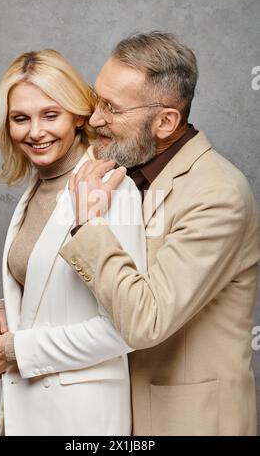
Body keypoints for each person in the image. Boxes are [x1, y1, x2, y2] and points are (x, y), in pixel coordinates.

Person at [60, 32, 260, 436]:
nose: (94, 119)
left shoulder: (218, 195)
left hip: (188, 424)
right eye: (96, 99)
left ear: (166, 121)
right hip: (113, 417)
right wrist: (7, 307)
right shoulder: (121, 165)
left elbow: (145, 321)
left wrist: (87, 225)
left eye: (111, 108)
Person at [0, 49, 146, 436]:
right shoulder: (36, 189)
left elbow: (125, 328)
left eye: (50, 115)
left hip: (80, 421)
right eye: (21, 118)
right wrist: (6, 304)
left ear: (78, 115)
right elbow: (46, 282)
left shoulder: (112, 190)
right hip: (22, 409)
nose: (35, 131)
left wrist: (17, 350)